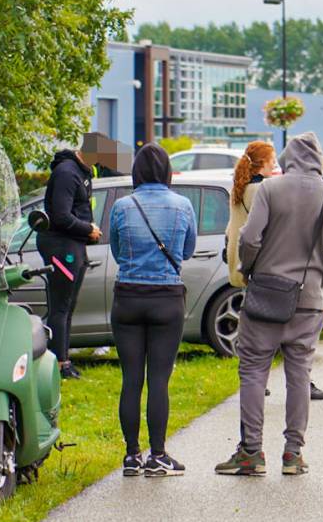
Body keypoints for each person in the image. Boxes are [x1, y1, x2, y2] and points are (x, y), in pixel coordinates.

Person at [217, 132, 323, 477]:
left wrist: (249, 267)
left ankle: (251, 452)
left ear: (290, 157)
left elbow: (248, 237)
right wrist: (317, 263)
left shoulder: (270, 190)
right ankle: (293, 453)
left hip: (265, 295)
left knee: (252, 372)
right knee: (299, 376)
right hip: (308, 301)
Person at [107, 144, 197, 478]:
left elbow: (117, 251)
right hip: (166, 298)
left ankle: (132, 456)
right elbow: (186, 251)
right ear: (168, 172)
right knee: (159, 380)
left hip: (127, 296)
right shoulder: (183, 205)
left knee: (131, 379)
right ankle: (158, 455)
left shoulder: (122, 206)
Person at [37, 148, 101, 380]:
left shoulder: (82, 171)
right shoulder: (67, 173)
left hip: (73, 245)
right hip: (61, 247)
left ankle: (63, 360)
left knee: (68, 306)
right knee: (60, 307)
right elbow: (61, 216)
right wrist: (88, 229)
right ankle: (58, 365)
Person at [226, 142, 276, 288]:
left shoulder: (238, 188)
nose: (274, 165)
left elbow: (231, 227)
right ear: (263, 162)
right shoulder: (261, 189)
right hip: (254, 266)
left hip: (237, 260)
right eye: (272, 160)